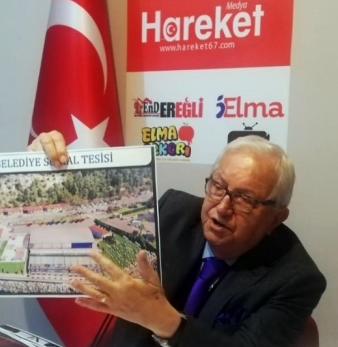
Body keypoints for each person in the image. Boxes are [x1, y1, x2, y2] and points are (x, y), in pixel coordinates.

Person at [28, 131, 326, 347]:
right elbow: (89, 230)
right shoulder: (174, 212)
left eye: (245, 199)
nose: (222, 207)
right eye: (218, 186)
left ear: (276, 218)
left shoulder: (296, 279)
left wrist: (164, 320)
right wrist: (41, 173)